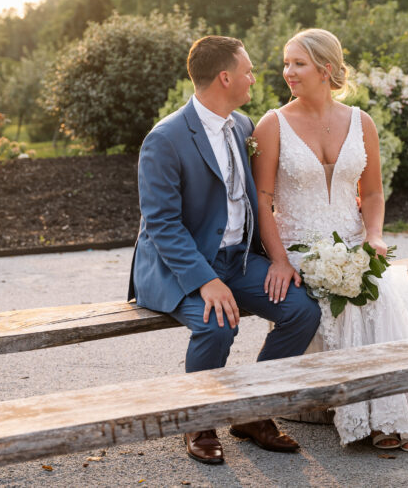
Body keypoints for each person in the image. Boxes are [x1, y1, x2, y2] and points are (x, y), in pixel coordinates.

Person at [128, 35, 321, 466]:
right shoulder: (165, 139)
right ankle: (199, 421)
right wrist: (206, 280)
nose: (255, 77)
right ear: (225, 77)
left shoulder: (243, 126)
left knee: (302, 309)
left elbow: (263, 195)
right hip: (182, 268)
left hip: (238, 260)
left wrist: (277, 259)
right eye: (249, 71)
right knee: (217, 325)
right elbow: (161, 225)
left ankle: (253, 412)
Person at [250, 28, 408, 452]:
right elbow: (262, 202)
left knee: (383, 293)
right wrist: (278, 259)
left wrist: (374, 237)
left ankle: (388, 417)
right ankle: (362, 418)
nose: (287, 72)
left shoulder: (360, 121)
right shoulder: (272, 124)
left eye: (298, 63)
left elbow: (372, 193)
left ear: (325, 68)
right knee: (342, 307)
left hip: (353, 243)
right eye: (286, 63)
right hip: (298, 247)